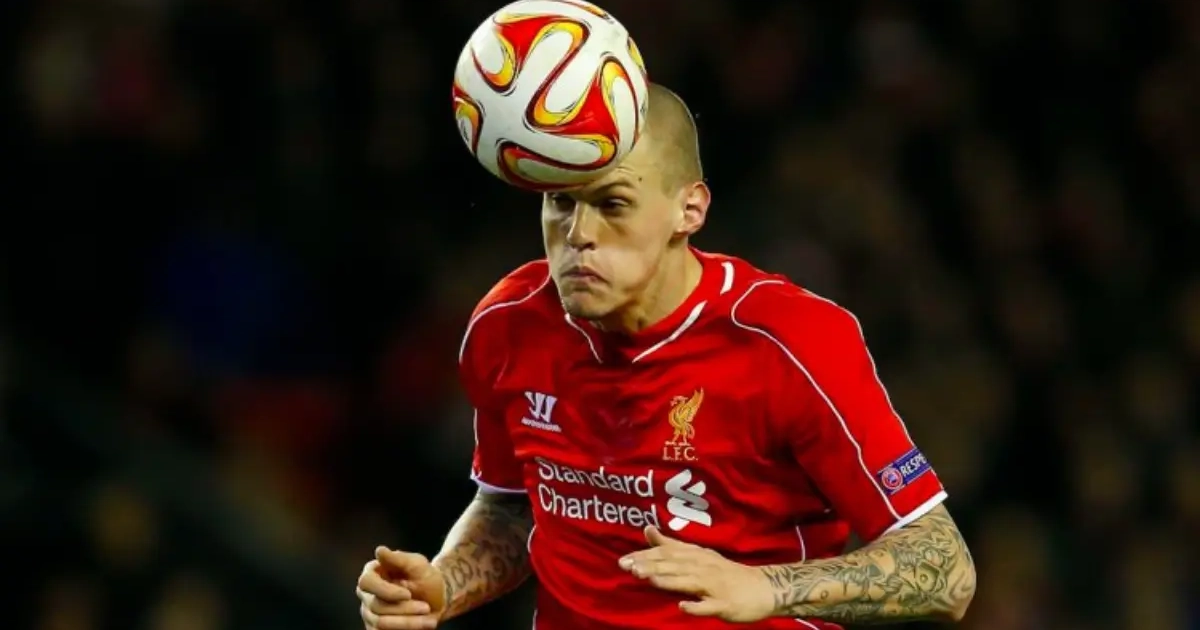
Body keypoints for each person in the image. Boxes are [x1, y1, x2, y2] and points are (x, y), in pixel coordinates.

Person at [356, 83, 977, 630]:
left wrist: (765, 586)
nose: (578, 235)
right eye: (561, 203)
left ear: (690, 209)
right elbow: (512, 508)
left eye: (612, 204)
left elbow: (946, 571)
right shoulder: (508, 325)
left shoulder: (789, 341)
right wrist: (444, 583)